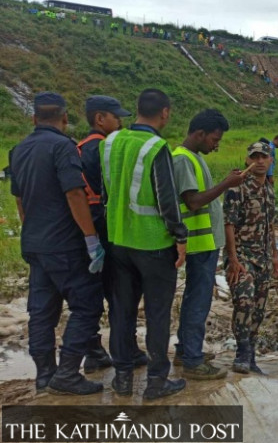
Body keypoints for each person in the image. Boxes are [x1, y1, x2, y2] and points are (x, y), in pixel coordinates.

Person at [11, 92, 105, 395]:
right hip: (64, 245)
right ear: (65, 118)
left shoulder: (19, 149)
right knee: (87, 305)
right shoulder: (63, 147)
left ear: (34, 119)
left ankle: (45, 375)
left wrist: (32, 231)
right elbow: (75, 194)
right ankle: (67, 373)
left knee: (41, 311)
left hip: (35, 244)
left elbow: (19, 199)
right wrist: (91, 239)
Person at [102, 88, 188, 400]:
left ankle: (122, 378)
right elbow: (168, 200)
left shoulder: (111, 141)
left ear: (137, 109)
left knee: (122, 310)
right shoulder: (156, 147)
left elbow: (107, 189)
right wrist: (180, 236)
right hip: (153, 244)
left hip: (118, 241)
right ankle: (156, 381)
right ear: (164, 112)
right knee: (157, 313)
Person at [78, 95, 149, 374]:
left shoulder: (80, 148)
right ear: (100, 119)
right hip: (108, 229)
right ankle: (126, 349)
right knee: (122, 293)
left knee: (90, 294)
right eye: (115, 117)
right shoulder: (105, 148)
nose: (120, 122)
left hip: (86, 231)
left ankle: (94, 350)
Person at [172, 109, 245, 380]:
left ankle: (186, 351)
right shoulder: (182, 160)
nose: (216, 144)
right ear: (199, 134)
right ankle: (192, 360)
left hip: (204, 244)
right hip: (197, 243)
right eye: (214, 139)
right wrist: (226, 184)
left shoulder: (194, 157)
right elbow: (192, 201)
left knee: (196, 298)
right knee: (198, 302)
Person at [224, 141, 278, 375]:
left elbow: (270, 225)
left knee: (258, 307)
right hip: (242, 256)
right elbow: (228, 224)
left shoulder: (268, 189)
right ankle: (242, 351)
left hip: (264, 257)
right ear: (247, 160)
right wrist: (233, 259)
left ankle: (252, 355)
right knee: (244, 301)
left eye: (263, 157)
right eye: (254, 157)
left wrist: (276, 256)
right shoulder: (237, 188)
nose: (259, 161)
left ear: (271, 161)